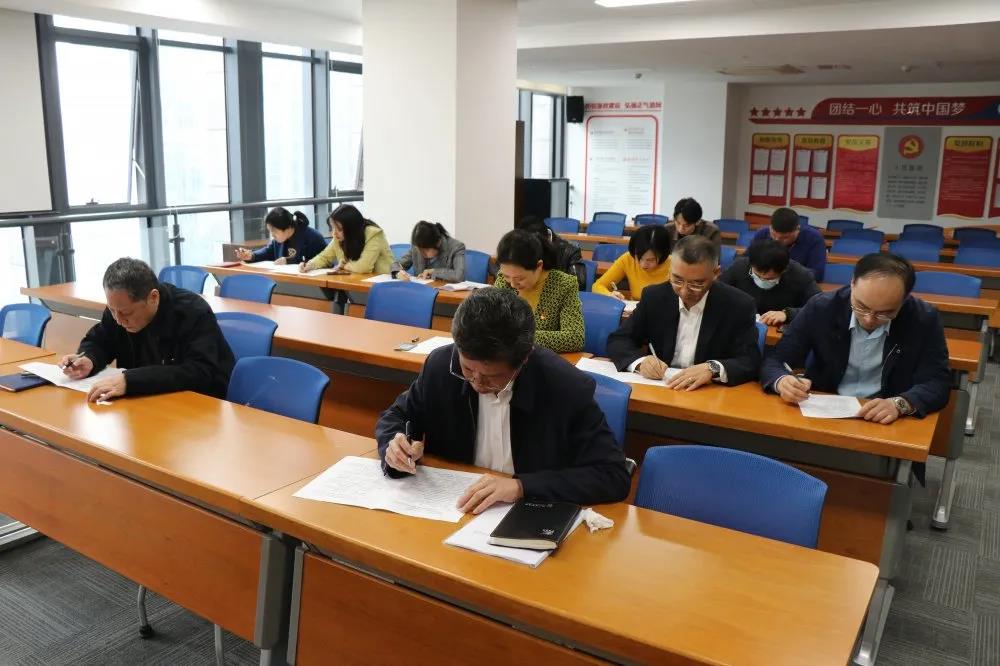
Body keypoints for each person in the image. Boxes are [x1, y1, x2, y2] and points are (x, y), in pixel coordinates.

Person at [375, 288, 630, 513]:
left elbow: (613, 475)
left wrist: (521, 487)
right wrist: (395, 445)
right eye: (468, 369)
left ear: (524, 359)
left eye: (492, 377)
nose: (477, 383)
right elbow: (396, 415)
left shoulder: (564, 387)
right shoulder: (441, 366)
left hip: (527, 514)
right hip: (453, 507)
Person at [761, 253, 950, 425]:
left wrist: (900, 403)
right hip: (824, 407)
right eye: (861, 306)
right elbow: (775, 360)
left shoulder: (923, 319)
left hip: (885, 418)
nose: (869, 319)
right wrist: (782, 381)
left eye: (885, 313)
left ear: (905, 298)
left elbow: (937, 382)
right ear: (852, 283)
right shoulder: (822, 308)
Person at [60, 258, 235, 403]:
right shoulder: (119, 308)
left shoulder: (192, 311)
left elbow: (198, 372)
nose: (118, 320)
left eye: (126, 313)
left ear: (153, 297)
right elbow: (100, 341)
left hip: (201, 405)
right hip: (145, 399)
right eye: (112, 310)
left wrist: (131, 380)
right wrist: (89, 358)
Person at [607, 235, 760, 390]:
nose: (684, 291)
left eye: (697, 283)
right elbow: (620, 339)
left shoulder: (738, 305)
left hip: (708, 391)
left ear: (716, 273)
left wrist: (712, 368)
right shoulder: (655, 297)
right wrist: (641, 362)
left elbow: (750, 360)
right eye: (677, 280)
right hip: (663, 387)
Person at [493, 230, 585, 353]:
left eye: (520, 278)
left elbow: (575, 338)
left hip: (541, 358)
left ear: (539, 266)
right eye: (507, 276)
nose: (513, 284)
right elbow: (491, 322)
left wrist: (518, 337)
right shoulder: (504, 281)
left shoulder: (563, 285)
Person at [720, 238, 821, 326]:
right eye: (757, 276)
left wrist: (787, 314)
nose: (762, 280)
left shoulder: (801, 275)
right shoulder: (739, 267)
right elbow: (718, 293)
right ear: (751, 264)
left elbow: (819, 308)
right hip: (743, 324)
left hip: (780, 330)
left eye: (769, 279)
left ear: (784, 270)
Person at [300, 204, 394, 274]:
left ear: (351, 228)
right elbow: (324, 257)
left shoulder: (374, 234)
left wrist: (344, 265)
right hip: (356, 282)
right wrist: (310, 265)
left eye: (339, 229)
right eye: (333, 228)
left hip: (385, 285)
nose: (334, 233)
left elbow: (363, 267)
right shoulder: (339, 237)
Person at [592, 224, 672, 300]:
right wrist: (609, 295)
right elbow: (598, 286)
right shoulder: (628, 258)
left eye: (651, 260)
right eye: (639, 258)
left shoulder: (673, 264)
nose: (643, 265)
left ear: (663, 254)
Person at [749, 207, 826, 282]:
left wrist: (780, 271)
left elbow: (817, 274)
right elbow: (747, 260)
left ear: (797, 229)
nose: (777, 240)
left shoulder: (814, 238)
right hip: (764, 280)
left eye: (784, 238)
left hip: (795, 283)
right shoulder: (763, 233)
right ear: (770, 227)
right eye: (773, 235)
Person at [235, 207, 327, 265]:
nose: (272, 235)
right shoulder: (279, 240)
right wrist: (251, 256)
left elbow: (322, 261)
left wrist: (288, 261)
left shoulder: (312, 238)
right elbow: (267, 252)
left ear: (288, 228)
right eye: (270, 231)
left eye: (274, 231)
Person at [515, 215, 585, 287]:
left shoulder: (570, 250)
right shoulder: (520, 246)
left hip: (557, 292)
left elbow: (578, 283)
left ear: (547, 238)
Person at [396, 221, 466, 283]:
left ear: (438, 243)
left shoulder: (456, 247)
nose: (421, 253)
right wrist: (398, 273)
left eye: (426, 250)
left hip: (445, 291)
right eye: (420, 250)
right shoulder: (417, 246)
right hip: (422, 290)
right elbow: (396, 265)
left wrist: (433, 271)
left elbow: (459, 276)